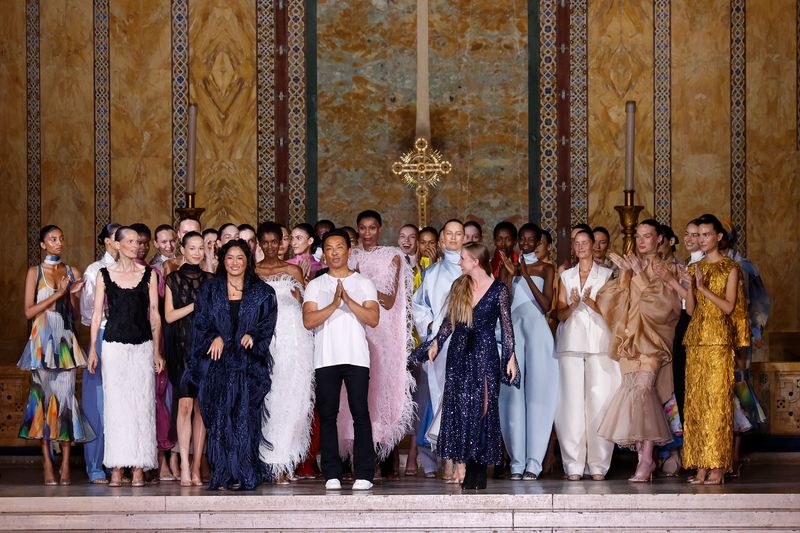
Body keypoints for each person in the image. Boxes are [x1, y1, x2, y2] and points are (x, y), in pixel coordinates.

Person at [412, 242, 519, 490]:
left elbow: (506, 325)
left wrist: (510, 356)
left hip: (484, 352)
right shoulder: (460, 285)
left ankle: (478, 467)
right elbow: (449, 322)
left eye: (462, 259)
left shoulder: (498, 290)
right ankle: (466, 465)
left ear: (475, 262)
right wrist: (436, 343)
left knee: (483, 407)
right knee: (461, 409)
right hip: (459, 353)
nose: (459, 262)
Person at [188, 239, 278, 490]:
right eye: (230, 257)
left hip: (248, 366)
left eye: (240, 257)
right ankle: (222, 473)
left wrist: (254, 335)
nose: (235, 263)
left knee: (245, 420)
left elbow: (268, 324)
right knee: (219, 420)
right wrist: (213, 337)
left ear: (248, 260)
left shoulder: (262, 292)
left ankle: (244, 472)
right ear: (222, 260)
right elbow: (201, 322)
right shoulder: (210, 289)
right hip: (219, 366)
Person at [596, 220, 681, 482]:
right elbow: (611, 302)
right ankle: (646, 458)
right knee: (636, 397)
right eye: (639, 236)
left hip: (653, 342)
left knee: (644, 392)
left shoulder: (668, 268)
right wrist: (624, 275)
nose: (642, 241)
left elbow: (669, 308)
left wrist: (641, 276)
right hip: (629, 340)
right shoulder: (631, 268)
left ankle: (646, 461)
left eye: (648, 236)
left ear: (659, 240)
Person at [87, 227, 165, 487]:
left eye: (137, 241)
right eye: (129, 241)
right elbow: (97, 315)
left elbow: (155, 314)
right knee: (116, 406)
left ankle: (139, 466)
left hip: (142, 345)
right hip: (113, 346)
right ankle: (117, 467)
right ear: (117, 245)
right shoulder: (104, 275)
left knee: (141, 404)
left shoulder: (149, 275)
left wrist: (156, 350)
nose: (135, 245)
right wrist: (92, 350)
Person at [303, 229, 379, 491]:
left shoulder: (364, 282)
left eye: (339, 247)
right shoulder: (316, 284)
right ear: (324, 253)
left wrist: (347, 299)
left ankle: (364, 474)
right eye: (329, 248)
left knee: (360, 413)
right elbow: (308, 320)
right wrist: (335, 304)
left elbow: (373, 318)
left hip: (356, 357)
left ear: (349, 250)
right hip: (325, 358)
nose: (334, 253)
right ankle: (332, 473)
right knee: (327, 416)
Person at [676, 214, 749, 485]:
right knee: (696, 404)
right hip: (696, 339)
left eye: (707, 234)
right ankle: (700, 466)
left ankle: (718, 465)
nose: (702, 239)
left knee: (717, 404)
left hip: (719, 340)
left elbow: (730, 307)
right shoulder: (696, 266)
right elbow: (692, 311)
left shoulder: (730, 268)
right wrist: (691, 288)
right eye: (700, 235)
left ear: (718, 237)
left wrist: (703, 288)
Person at [18, 225, 93, 486]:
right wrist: (58, 294)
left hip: (64, 343)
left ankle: (65, 465)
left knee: (66, 402)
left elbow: (74, 314)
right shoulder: (34, 272)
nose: (58, 242)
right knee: (42, 400)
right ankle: (47, 462)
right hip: (41, 342)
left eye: (61, 238)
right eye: (52, 239)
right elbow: (29, 312)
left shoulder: (72, 271)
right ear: (42, 244)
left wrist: (72, 296)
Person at [348, 210, 415, 477]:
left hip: (382, 333)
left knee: (380, 394)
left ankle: (380, 458)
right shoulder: (350, 255)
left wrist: (362, 283)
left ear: (380, 229)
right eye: (362, 228)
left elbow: (388, 300)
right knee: (356, 395)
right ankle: (357, 457)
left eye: (372, 228)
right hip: (355, 329)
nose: (366, 233)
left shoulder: (392, 256)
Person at [554, 228, 619, 481]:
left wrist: (594, 304)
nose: (581, 247)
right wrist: (571, 305)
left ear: (593, 245)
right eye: (576, 243)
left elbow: (615, 313)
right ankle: (573, 464)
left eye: (585, 242)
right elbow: (558, 314)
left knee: (600, 402)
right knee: (570, 404)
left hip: (600, 344)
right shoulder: (566, 276)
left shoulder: (607, 275)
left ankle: (599, 464)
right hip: (570, 343)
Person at [255, 223, 315, 484]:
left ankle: (287, 459)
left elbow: (307, 308)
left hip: (295, 341)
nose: (270, 247)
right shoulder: (253, 272)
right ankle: (268, 461)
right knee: (270, 400)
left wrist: (300, 295)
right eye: (265, 242)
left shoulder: (292, 270)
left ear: (282, 242)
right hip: (267, 342)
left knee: (295, 401)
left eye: (274, 242)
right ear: (258, 243)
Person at [497, 223, 557, 481]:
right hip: (514, 333)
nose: (526, 243)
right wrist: (511, 276)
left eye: (531, 240)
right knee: (512, 396)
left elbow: (545, 305)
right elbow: (502, 304)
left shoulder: (547, 268)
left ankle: (534, 461)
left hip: (538, 334)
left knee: (537, 396)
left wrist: (526, 274)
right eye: (522, 239)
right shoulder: (507, 269)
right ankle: (517, 461)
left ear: (539, 242)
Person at [411, 219, 465, 479]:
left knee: (464, 398)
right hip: (440, 344)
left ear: (465, 238)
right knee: (443, 395)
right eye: (449, 234)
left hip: (467, 343)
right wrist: (430, 325)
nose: (453, 238)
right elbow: (418, 305)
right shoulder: (432, 272)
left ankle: (460, 456)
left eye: (458, 234)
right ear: (442, 240)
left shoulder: (472, 269)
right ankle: (447, 454)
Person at [164, 231, 213, 486]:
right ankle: (183, 464)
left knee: (200, 409)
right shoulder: (172, 279)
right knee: (183, 406)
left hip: (206, 351)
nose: (196, 252)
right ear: (182, 250)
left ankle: (196, 466)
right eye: (191, 247)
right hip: (181, 350)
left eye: (200, 247)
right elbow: (169, 316)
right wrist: (196, 305)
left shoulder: (212, 280)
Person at [80, 222, 121, 484]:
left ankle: (117, 461)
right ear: (107, 242)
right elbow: (87, 313)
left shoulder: (137, 270)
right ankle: (95, 464)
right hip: (103, 334)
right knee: (97, 405)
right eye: (119, 238)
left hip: (128, 338)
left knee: (121, 404)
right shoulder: (95, 270)